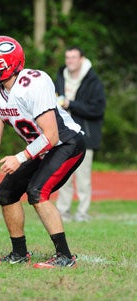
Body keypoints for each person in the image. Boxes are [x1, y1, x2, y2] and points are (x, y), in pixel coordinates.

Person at [0, 36, 86, 269]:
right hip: (41, 147)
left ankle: (65, 256)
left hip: (66, 143)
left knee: (37, 191)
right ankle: (19, 253)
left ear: (9, 65)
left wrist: (21, 157)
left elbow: (52, 136)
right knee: (6, 193)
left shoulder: (33, 83)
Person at [55, 46, 106, 222]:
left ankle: (82, 213)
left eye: (74, 57)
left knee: (83, 179)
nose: (70, 61)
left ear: (82, 59)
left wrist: (71, 104)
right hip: (64, 135)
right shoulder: (60, 76)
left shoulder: (93, 81)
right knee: (63, 176)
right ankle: (63, 213)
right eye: (67, 57)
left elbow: (98, 109)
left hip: (86, 136)